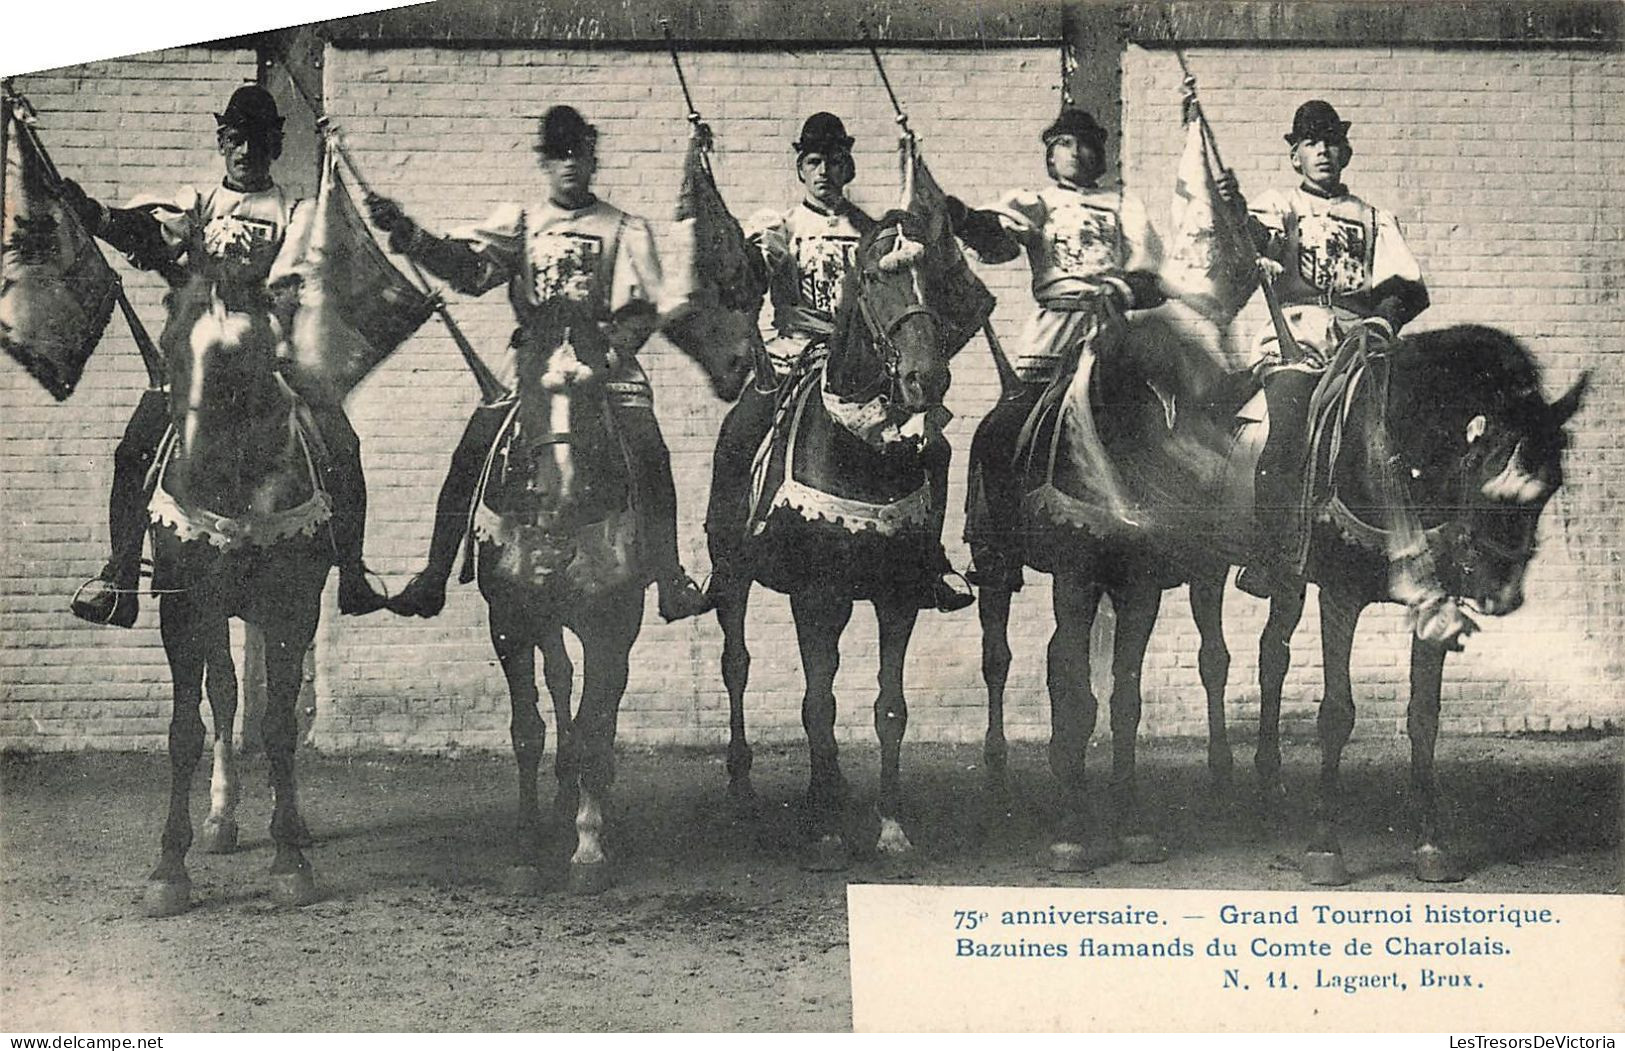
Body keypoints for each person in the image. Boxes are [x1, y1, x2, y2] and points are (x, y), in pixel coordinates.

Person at [366, 105, 712, 623]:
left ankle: (668, 576)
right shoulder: (523, 225)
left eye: (578, 154)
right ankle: (434, 574)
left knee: (648, 450)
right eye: (557, 155)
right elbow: (471, 268)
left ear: (593, 160)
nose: (569, 164)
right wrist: (412, 235)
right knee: (474, 446)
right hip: (534, 364)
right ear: (544, 164)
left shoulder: (622, 228)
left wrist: (607, 355)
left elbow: (641, 309)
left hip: (605, 363)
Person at [61, 84, 387, 627]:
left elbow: (300, 276)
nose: (246, 151)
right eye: (236, 139)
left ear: (274, 147)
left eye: (258, 141)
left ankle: (351, 570)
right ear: (222, 141)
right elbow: (148, 232)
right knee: (132, 453)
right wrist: (93, 213)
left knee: (344, 446)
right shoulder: (196, 203)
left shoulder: (294, 212)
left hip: (271, 361)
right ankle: (119, 575)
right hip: (197, 361)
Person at [704, 112, 973, 612]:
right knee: (739, 434)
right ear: (800, 170)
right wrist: (760, 259)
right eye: (813, 161)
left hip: (862, 369)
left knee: (932, 446)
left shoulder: (872, 233)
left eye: (833, 161)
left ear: (848, 168)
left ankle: (930, 559)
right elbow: (757, 272)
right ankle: (725, 559)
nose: (824, 171)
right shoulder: (781, 226)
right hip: (796, 355)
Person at [1213, 100, 1439, 614]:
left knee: (1406, 425)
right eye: (1311, 143)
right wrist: (1234, 208)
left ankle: (1411, 548)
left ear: (1347, 152)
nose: (1323, 152)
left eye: (1331, 142)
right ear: (1295, 156)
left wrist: (1382, 320)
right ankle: (1271, 554)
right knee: (1289, 419)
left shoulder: (1375, 218)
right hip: (1298, 343)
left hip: (1362, 344)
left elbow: (1405, 286)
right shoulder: (1281, 206)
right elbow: (1253, 242)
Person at [948, 108, 1166, 589]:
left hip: (1113, 337)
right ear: (1051, 154)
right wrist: (961, 216)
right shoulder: (1038, 204)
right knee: (998, 432)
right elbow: (998, 238)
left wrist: (1120, 290)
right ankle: (995, 547)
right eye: (1065, 143)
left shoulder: (1124, 205)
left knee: (1164, 425)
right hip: (1052, 341)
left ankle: (1170, 541)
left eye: (1086, 143)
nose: (1077, 152)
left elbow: (1152, 276)